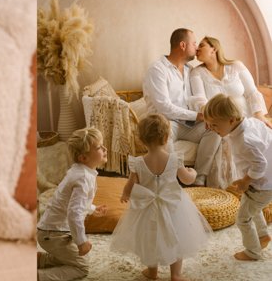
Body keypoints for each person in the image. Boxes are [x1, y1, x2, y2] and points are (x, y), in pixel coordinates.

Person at [111, 112, 210, 281]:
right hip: (174, 208)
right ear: (166, 137)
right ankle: (176, 275)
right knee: (176, 237)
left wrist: (125, 194)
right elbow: (186, 179)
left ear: (141, 140)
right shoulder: (174, 159)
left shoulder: (138, 163)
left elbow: (130, 184)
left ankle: (152, 272)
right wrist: (193, 173)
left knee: (150, 238)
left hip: (148, 208)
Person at [142, 29, 221, 186]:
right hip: (166, 122)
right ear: (183, 45)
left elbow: (197, 98)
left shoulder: (190, 70)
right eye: (194, 43)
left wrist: (207, 114)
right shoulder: (157, 70)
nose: (196, 47)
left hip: (187, 125)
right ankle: (174, 178)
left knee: (215, 129)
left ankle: (199, 178)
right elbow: (164, 107)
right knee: (162, 134)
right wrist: (197, 116)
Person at [204, 93, 272, 262]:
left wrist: (245, 181)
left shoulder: (244, 140)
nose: (212, 128)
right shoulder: (252, 123)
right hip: (266, 181)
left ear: (232, 120)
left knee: (242, 219)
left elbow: (260, 164)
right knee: (251, 208)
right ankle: (263, 236)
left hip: (262, 184)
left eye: (215, 125)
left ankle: (252, 252)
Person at [37, 125, 108, 280]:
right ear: (84, 158)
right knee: (82, 267)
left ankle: (41, 260)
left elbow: (74, 202)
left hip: (50, 231)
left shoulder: (79, 171)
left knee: (73, 258)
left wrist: (92, 208)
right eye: (99, 147)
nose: (104, 148)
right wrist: (81, 241)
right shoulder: (83, 178)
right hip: (55, 234)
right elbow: (74, 212)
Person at [190, 36, 269, 123]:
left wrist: (259, 116)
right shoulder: (196, 73)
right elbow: (200, 100)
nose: (197, 49)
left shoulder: (236, 66)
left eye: (201, 45)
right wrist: (210, 120)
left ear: (214, 49)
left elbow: (252, 92)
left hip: (248, 120)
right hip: (220, 125)